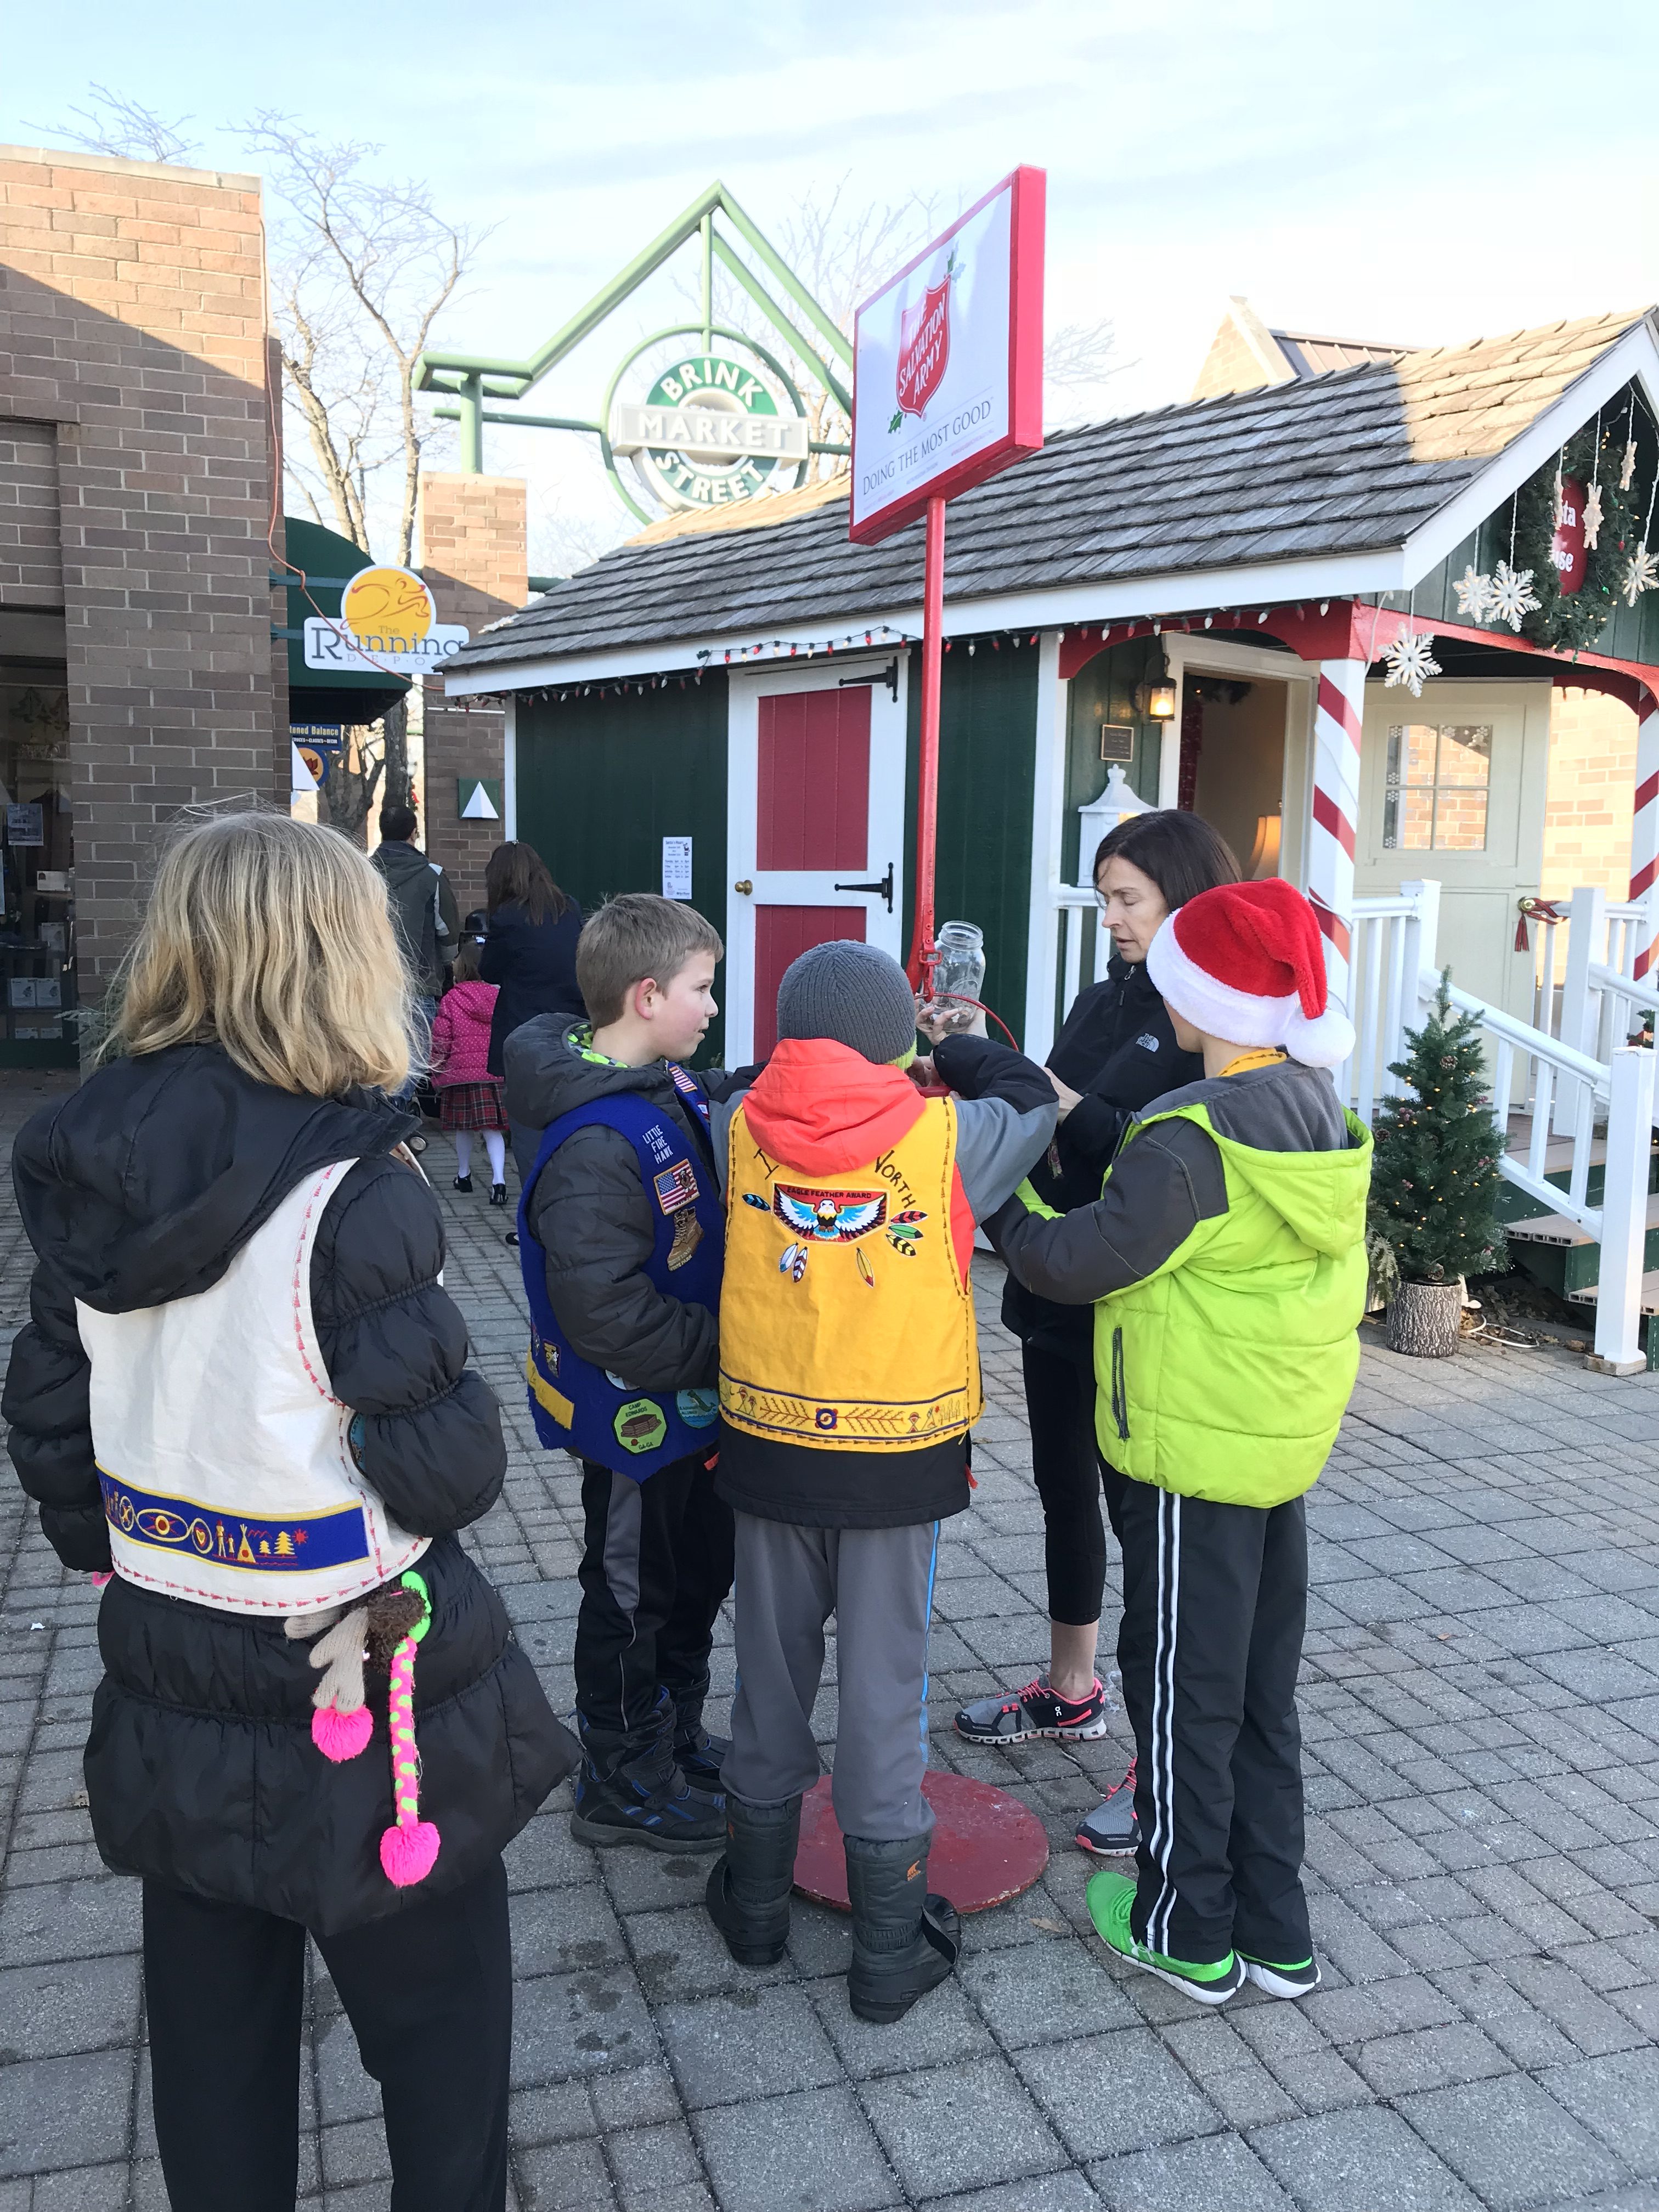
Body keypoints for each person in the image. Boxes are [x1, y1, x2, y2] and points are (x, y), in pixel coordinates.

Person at [1, 811, 577, 2212]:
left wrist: (142, 1554)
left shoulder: (84, 1167)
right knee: (441, 2050)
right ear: (340, 959)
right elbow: (448, 1473)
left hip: (169, 1660)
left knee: (211, 2053)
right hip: (363, 1687)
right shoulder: (355, 1188)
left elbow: (51, 1422)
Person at [988, 878, 1369, 2007]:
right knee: (1256, 1695)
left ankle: (1183, 1929)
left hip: (1186, 1457)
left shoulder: (1193, 1138)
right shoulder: (1315, 1109)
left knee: (1176, 1698)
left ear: (1208, 999)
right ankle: (1274, 1932)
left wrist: (993, 1197)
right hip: (1268, 1454)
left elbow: (1075, 1260)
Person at [702, 941, 1057, 2024]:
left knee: (767, 1679)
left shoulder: (734, 1124)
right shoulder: (951, 1134)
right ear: (897, 1039)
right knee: (883, 1692)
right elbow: (1032, 1095)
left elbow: (739, 1078)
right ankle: (887, 1952)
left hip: (766, 1449)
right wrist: (950, 1051)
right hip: (896, 1467)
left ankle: (753, 1909)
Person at [955, 808, 1240, 1863]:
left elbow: (1164, 1157)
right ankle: (1069, 1689)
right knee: (1063, 1493)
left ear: (1183, 895)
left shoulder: (1211, 1018)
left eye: (1127, 897)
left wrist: (1061, 1100)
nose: (1110, 916)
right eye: (1104, 896)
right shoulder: (1100, 995)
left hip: (1137, 1313)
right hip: (1053, 1290)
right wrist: (986, 1062)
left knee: (1144, 1528)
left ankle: (1158, 1762)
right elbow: (1047, 1115)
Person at [508, 893, 735, 1850]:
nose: (712, 1008)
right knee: (632, 1593)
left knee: (696, 1575)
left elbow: (717, 1089)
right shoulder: (599, 1143)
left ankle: (673, 1734)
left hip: (687, 1405)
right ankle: (618, 1774)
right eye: (702, 990)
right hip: (635, 1417)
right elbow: (601, 1311)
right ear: (647, 997)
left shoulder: (654, 1080)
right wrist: (727, 1347)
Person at [479, 840, 584, 1189]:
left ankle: (534, 1207)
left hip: (524, 1031)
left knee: (527, 1126)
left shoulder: (506, 917)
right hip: (571, 1028)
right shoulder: (569, 907)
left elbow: (489, 972)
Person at [430, 938, 510, 1204]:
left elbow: (442, 1038)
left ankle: (463, 1176)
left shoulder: (452, 998)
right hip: (493, 1073)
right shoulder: (500, 997)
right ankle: (499, 1181)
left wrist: (436, 1068)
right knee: (492, 1130)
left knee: (463, 1128)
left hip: (461, 1075)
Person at [371, 800, 460, 1029]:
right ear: (413, 833)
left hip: (369, 988)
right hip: (419, 987)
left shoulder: (360, 874)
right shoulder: (433, 875)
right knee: (418, 1052)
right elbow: (448, 935)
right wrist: (447, 966)